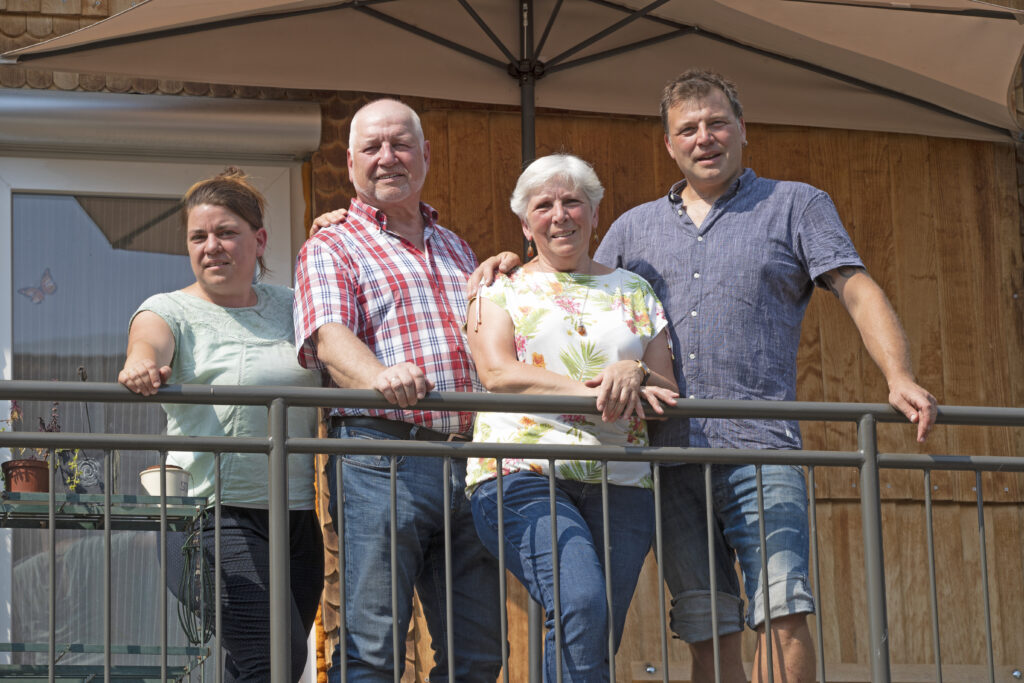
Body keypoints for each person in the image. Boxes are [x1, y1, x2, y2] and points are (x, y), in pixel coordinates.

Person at [475, 70, 938, 683]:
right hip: (671, 460)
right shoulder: (634, 227)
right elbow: (576, 283)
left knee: (783, 609)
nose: (704, 138)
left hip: (761, 448)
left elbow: (854, 287)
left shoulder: (796, 204)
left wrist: (898, 375)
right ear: (669, 145)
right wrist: (513, 258)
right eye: (688, 129)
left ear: (742, 129)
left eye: (717, 124)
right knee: (707, 626)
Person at [292, 98, 502, 682]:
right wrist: (379, 376)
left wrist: (510, 267)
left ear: (425, 155)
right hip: (381, 456)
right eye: (372, 147)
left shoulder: (456, 247)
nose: (388, 157)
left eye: (401, 144)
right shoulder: (332, 244)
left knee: (479, 654)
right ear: (351, 163)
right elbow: (329, 339)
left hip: (472, 462)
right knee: (373, 648)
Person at [465, 154, 678, 682]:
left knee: (594, 632)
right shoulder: (499, 288)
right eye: (544, 205)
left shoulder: (635, 290)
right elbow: (495, 371)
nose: (560, 215)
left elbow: (665, 387)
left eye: (572, 202)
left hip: (621, 480)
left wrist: (634, 371)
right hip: (522, 473)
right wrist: (597, 390)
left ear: (595, 214)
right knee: (580, 600)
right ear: (525, 224)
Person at [119, 168, 324, 682]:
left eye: (226, 232)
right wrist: (141, 363)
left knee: (261, 665)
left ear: (260, 240)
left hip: (296, 517)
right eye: (198, 237)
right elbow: (147, 342)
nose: (211, 246)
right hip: (210, 516)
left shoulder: (294, 305)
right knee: (272, 662)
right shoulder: (169, 309)